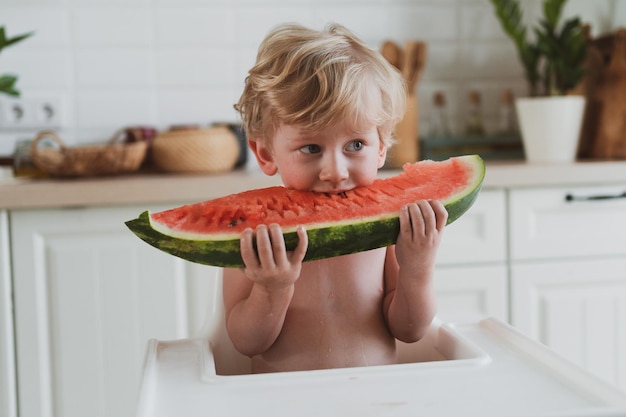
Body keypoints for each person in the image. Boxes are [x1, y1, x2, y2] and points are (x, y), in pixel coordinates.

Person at [223, 23, 448, 374]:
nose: (335, 171)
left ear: (381, 148)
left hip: (376, 400)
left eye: (355, 145)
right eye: (311, 147)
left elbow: (410, 331)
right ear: (265, 153)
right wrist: (272, 288)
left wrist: (417, 270)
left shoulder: (385, 229)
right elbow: (247, 343)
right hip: (280, 403)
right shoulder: (255, 235)